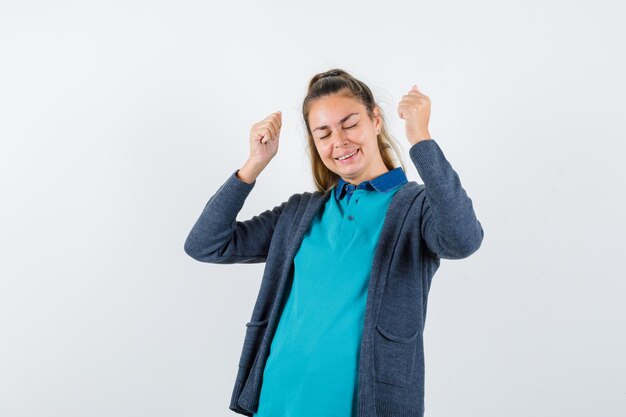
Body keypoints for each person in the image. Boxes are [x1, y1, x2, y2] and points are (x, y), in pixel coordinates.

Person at [184, 68, 484, 417]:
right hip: (278, 399)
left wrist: (421, 139)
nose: (338, 141)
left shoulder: (415, 208)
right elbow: (206, 244)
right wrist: (253, 165)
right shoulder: (300, 212)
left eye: (349, 123)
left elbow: (464, 239)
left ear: (375, 120)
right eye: (323, 133)